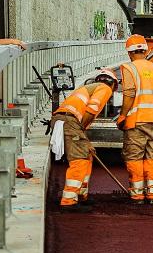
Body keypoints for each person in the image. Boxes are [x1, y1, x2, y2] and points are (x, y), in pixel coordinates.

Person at [50, 70, 117, 212]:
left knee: (87, 155)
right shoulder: (104, 88)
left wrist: (84, 140)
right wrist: (82, 134)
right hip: (71, 121)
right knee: (79, 159)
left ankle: (81, 195)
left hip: (66, 120)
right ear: (112, 84)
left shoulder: (88, 88)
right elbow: (91, 110)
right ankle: (69, 200)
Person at [118, 34, 153, 205]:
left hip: (136, 121)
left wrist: (123, 115)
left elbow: (129, 93)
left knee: (135, 157)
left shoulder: (129, 68)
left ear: (129, 53)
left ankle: (138, 196)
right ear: (146, 50)